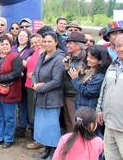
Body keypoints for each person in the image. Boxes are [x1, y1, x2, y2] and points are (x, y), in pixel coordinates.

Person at [31, 31, 65, 159]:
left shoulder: (59, 58)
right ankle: (46, 150)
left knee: (52, 127)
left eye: (49, 41)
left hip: (52, 99)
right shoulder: (42, 55)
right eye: (44, 41)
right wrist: (34, 84)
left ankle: (54, 152)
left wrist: (40, 88)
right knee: (43, 127)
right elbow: (34, 73)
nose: (46, 44)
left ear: (56, 42)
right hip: (40, 97)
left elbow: (57, 81)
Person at [68, 45, 109, 111]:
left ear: (100, 61)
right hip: (81, 106)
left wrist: (75, 79)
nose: (87, 59)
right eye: (87, 56)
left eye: (91, 58)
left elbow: (88, 92)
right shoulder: (89, 70)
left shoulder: (100, 76)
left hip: (88, 109)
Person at [62, 32, 87, 132]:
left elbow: (80, 77)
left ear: (78, 45)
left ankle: (78, 145)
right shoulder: (69, 57)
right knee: (68, 122)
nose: (67, 45)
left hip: (75, 95)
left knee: (75, 122)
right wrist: (66, 67)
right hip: (66, 92)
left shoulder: (85, 59)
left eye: (70, 43)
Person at [12, 30, 34, 138]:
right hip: (13, 80)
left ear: (28, 38)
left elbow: (29, 64)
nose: (21, 37)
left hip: (25, 80)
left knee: (23, 105)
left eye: (24, 36)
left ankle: (23, 126)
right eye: (20, 36)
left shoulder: (31, 50)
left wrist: (17, 61)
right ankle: (18, 126)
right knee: (15, 105)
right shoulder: (13, 48)